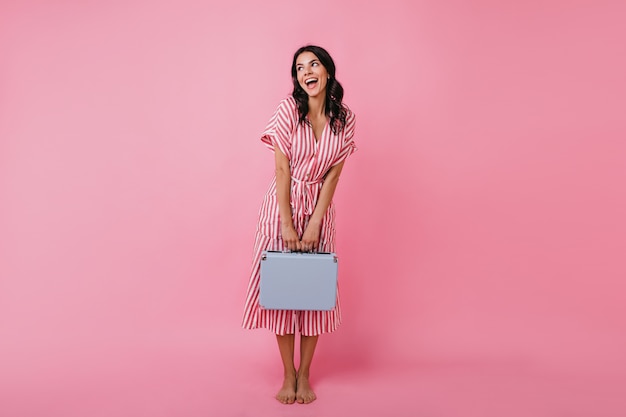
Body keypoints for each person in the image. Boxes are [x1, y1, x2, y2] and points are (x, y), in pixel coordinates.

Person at [242, 45, 356, 404]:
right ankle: (287, 374)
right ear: (297, 77)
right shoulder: (288, 111)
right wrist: (288, 224)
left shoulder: (345, 118)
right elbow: (281, 170)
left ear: (327, 71)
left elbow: (334, 176)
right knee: (281, 293)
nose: (306, 71)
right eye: (299, 67)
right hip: (281, 208)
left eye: (314, 64)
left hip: (320, 210)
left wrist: (315, 223)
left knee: (313, 294)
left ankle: (305, 373)